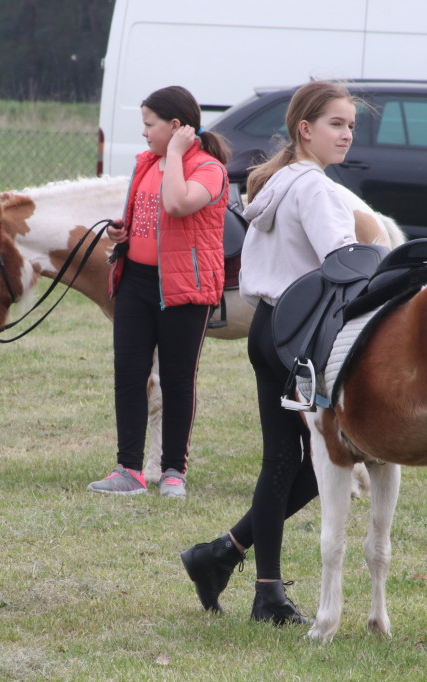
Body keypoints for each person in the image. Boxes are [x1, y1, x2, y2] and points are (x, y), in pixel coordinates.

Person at [180, 81, 358, 623]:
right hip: (300, 335)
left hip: (267, 328)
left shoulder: (278, 181)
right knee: (321, 458)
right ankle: (263, 591)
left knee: (288, 460)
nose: (347, 135)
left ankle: (227, 557)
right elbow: (343, 263)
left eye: (351, 125)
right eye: (336, 124)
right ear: (305, 129)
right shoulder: (317, 190)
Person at [88, 85, 230, 498]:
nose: (145, 134)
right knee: (129, 376)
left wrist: (174, 156)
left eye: (150, 125)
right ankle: (128, 470)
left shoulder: (209, 169)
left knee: (176, 379)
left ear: (176, 126)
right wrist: (122, 231)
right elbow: (150, 216)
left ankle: (173, 473)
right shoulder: (146, 164)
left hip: (185, 288)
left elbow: (177, 205)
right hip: (136, 283)